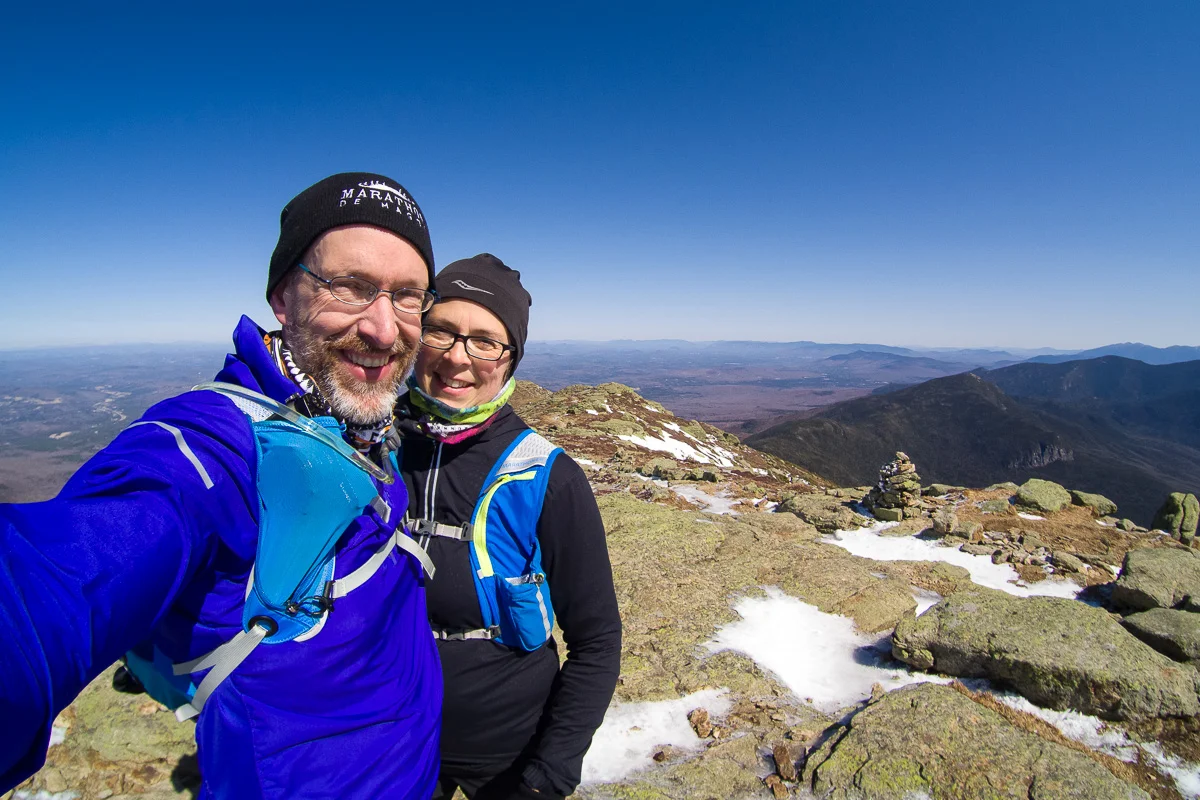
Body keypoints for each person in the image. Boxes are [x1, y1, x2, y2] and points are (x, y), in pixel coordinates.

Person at [0, 173, 443, 799]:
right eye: (349, 287)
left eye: (407, 297)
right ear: (283, 298)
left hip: (413, 767)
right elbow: (59, 582)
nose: (384, 329)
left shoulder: (361, 417)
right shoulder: (213, 447)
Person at [395, 254, 622, 800]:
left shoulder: (545, 475)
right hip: (389, 734)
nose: (457, 357)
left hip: (507, 752)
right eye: (440, 330)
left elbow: (596, 640)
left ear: (510, 358)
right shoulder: (367, 443)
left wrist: (548, 775)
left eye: (485, 342)